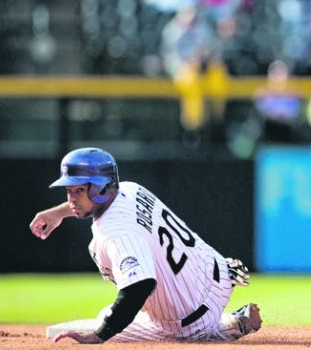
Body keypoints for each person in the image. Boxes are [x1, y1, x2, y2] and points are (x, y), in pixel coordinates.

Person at [29, 147, 262, 343]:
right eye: (69, 191)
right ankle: (228, 321)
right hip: (219, 274)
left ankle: (224, 326)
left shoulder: (115, 231)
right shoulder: (130, 189)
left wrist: (100, 335)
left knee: (106, 319)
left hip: (192, 317)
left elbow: (139, 286)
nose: (72, 199)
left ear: (101, 188)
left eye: (79, 190)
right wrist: (57, 213)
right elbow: (87, 204)